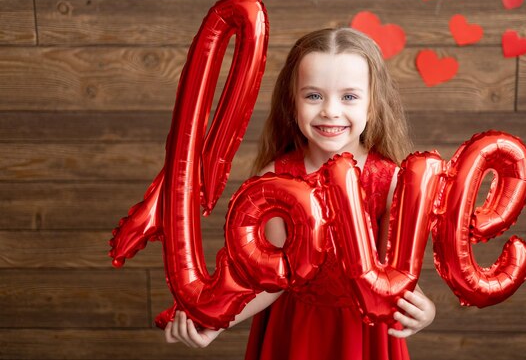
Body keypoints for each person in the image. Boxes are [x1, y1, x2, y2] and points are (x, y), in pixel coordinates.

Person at [164, 28, 436, 359]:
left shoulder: (393, 182)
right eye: (314, 96)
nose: (330, 111)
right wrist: (215, 320)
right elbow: (273, 282)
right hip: (295, 332)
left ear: (373, 105)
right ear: (292, 102)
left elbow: (395, 276)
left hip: (365, 336)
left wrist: (425, 311)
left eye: (349, 97)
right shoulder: (274, 181)